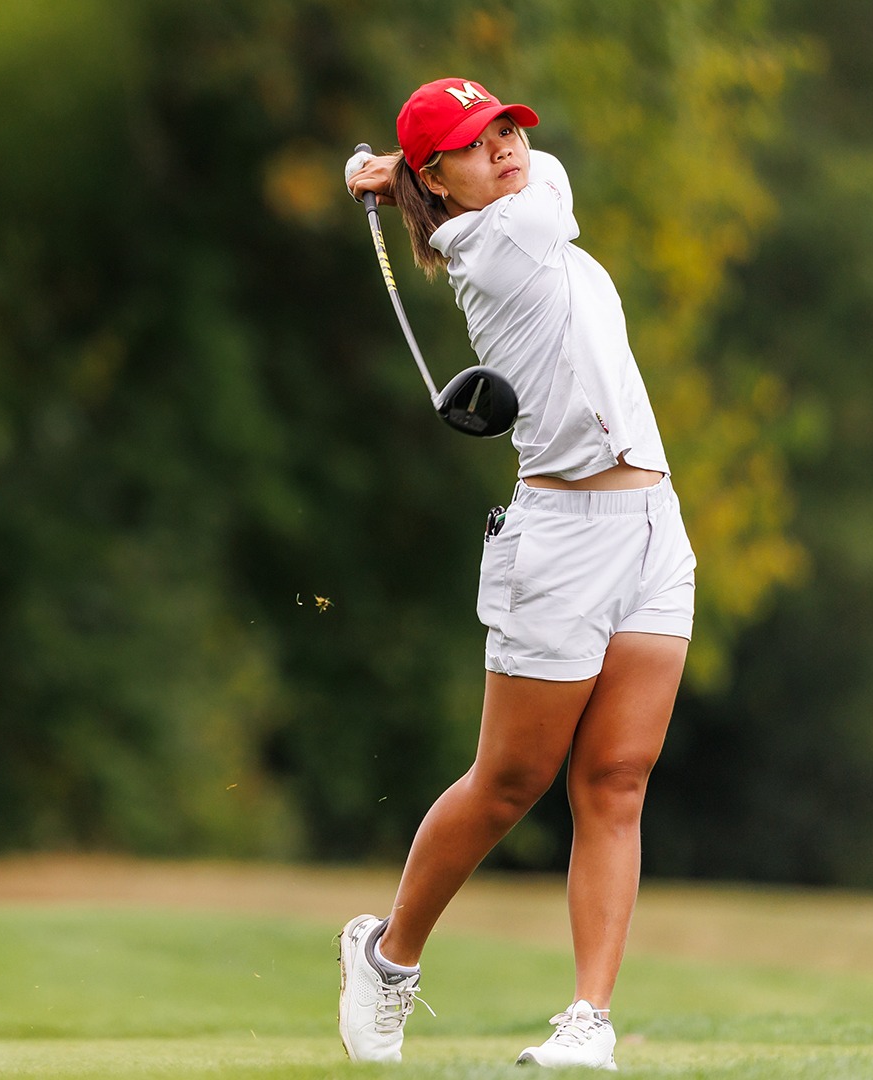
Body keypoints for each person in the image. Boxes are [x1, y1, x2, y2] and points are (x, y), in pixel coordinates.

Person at [339, 77, 696, 1070]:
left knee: (618, 779)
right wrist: (398, 182)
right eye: (471, 141)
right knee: (510, 782)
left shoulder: (521, 220)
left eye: (504, 127)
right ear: (437, 181)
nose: (504, 146)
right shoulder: (494, 243)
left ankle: (588, 1020)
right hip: (560, 542)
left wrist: (391, 175)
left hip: (654, 530)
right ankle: (388, 956)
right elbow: (557, 182)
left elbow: (546, 176)